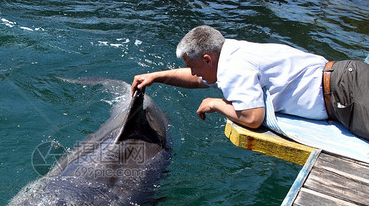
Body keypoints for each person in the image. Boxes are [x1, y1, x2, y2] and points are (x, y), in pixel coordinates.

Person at [131, 25, 369, 140]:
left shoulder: (234, 67)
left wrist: (215, 104)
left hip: (345, 93)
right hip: (345, 81)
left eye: (193, 66)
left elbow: (252, 118)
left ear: (207, 58)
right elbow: (200, 77)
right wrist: (157, 76)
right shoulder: (231, 52)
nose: (192, 72)